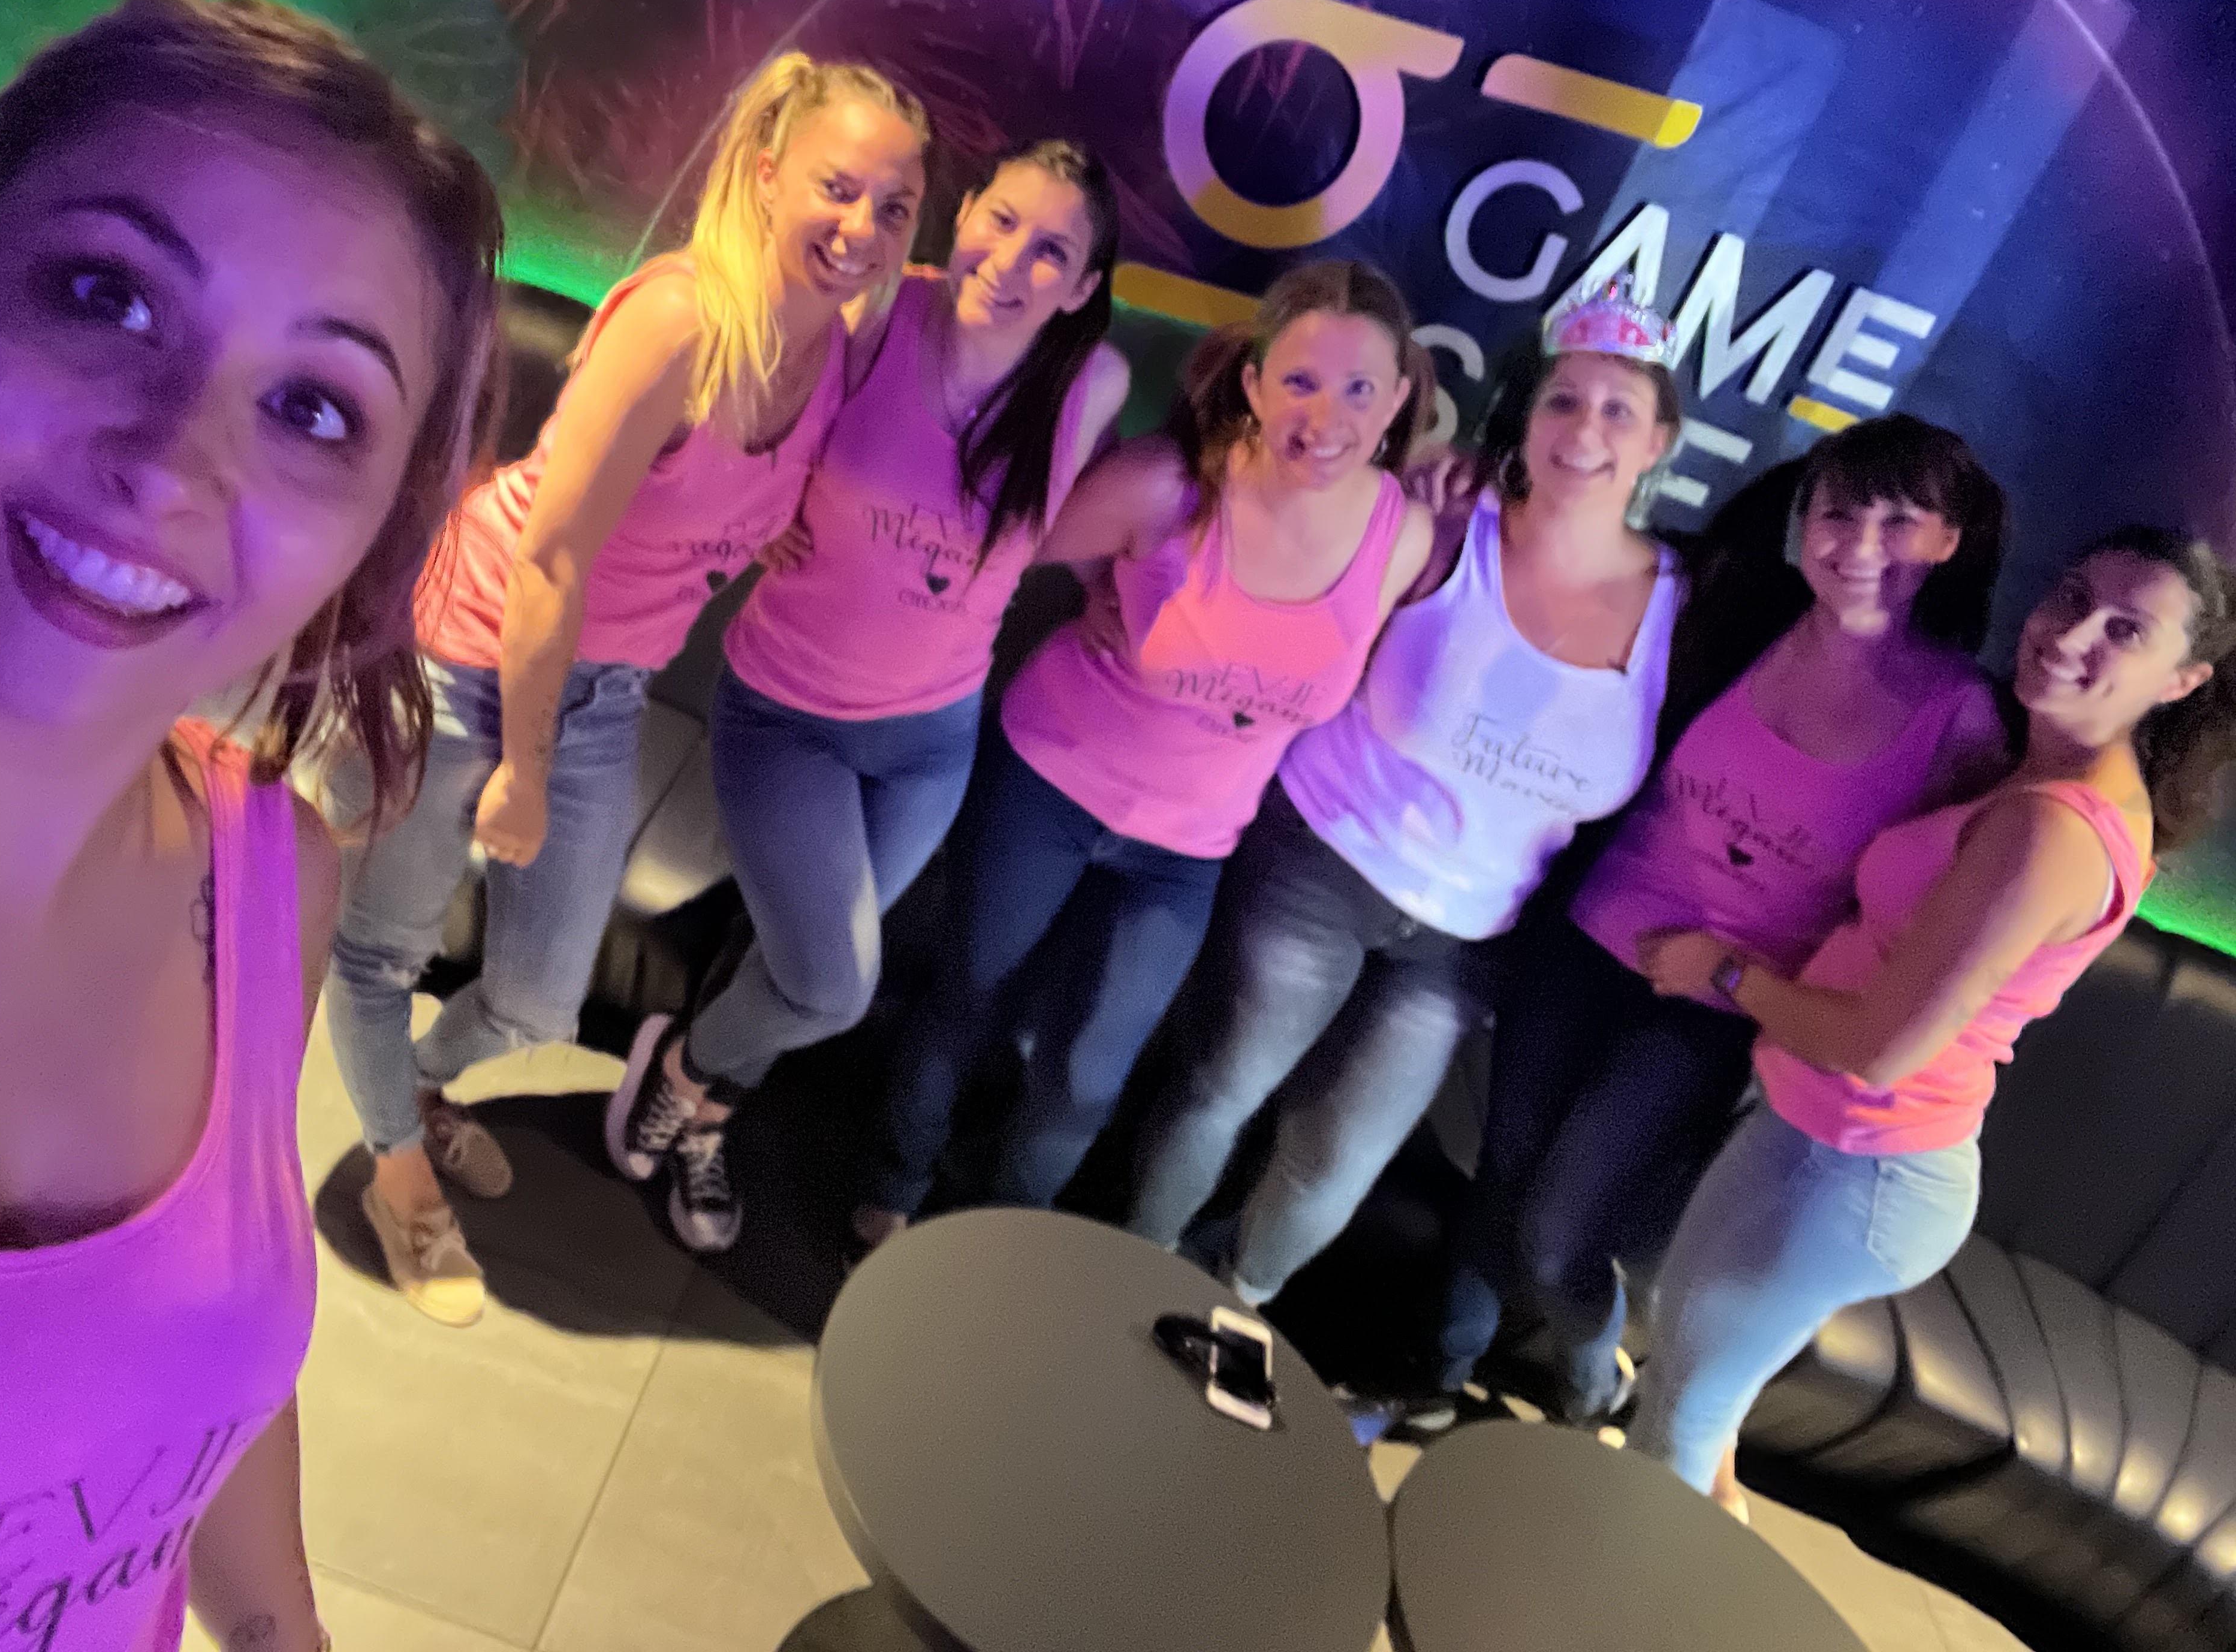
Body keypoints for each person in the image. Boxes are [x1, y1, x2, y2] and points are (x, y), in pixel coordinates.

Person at [0, 0, 502, 1652]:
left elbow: (195, 1384)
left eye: (314, 407)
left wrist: (278, 1635)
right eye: (105, 295)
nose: (175, 464)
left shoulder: (267, 873)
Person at [321, 55, 927, 1322]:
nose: (863, 227)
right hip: (468, 652)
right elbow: (549, 564)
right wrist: (524, 770)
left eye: (895, 205)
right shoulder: (679, 324)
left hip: (604, 688)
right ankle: (397, 1176)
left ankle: (413, 1091)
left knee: (536, 998)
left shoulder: (831, 345)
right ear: (766, 173)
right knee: (381, 952)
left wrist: (769, 529)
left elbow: (710, 499)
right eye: (837, 187)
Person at [1633, 527, 2236, 1517]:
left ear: (2182, 681)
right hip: (1833, 1142)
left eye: (2126, 630)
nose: (2072, 633)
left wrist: (1723, 969)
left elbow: (1879, 1050)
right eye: (2073, 594)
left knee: (1680, 1417)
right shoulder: (2042, 777)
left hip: (1858, 1167)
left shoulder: (2052, 827)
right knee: (1702, 1399)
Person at [1432, 413, 2012, 1425]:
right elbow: (1593, 561)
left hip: (1720, 1003)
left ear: (1949, 541)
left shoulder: (1962, 720)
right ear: (1803, 522)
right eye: (1839, 513)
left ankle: (1590, 1386)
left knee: (1562, 1236)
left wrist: (1743, 979)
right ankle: (1433, 1378)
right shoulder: (1740, 606)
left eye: (1899, 521)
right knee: (1504, 1176)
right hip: (1586, 940)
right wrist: (1464, 491)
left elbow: (1928, 911)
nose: (1861, 545)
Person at [607, 140, 1131, 1252]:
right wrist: (755, 515)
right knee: (832, 984)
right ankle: (687, 1073)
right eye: (1001, 221)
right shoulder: (876, 312)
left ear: (1084, 287)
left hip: (930, 741)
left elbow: (1119, 528)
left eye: (1052, 252)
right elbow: (743, 422)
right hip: (785, 712)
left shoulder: (1093, 387)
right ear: (964, 213)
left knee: (797, 963)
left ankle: (696, 1104)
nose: (1012, 262)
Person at [1125, 276, 1689, 1309]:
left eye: (1620, 411)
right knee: (1221, 1089)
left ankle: (1229, 1307)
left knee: (1336, 1162)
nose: (1585, 431)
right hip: (1322, 857)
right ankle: (1116, 1285)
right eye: (1564, 400)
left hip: (1470, 935)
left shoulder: (1683, 607)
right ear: (1527, 413)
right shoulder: (1444, 522)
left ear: (1659, 441)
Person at [852, 259, 1440, 1242]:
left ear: (1396, 402)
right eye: (1299, 380)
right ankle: (891, 1188)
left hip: (1190, 846)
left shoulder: (1403, 536)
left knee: (1088, 1074)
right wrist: (1109, 590)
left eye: (1358, 388)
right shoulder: (1165, 486)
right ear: (1253, 384)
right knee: (968, 1000)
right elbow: (1005, 547)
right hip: (1049, 781)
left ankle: (1003, 1238)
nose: (1325, 416)